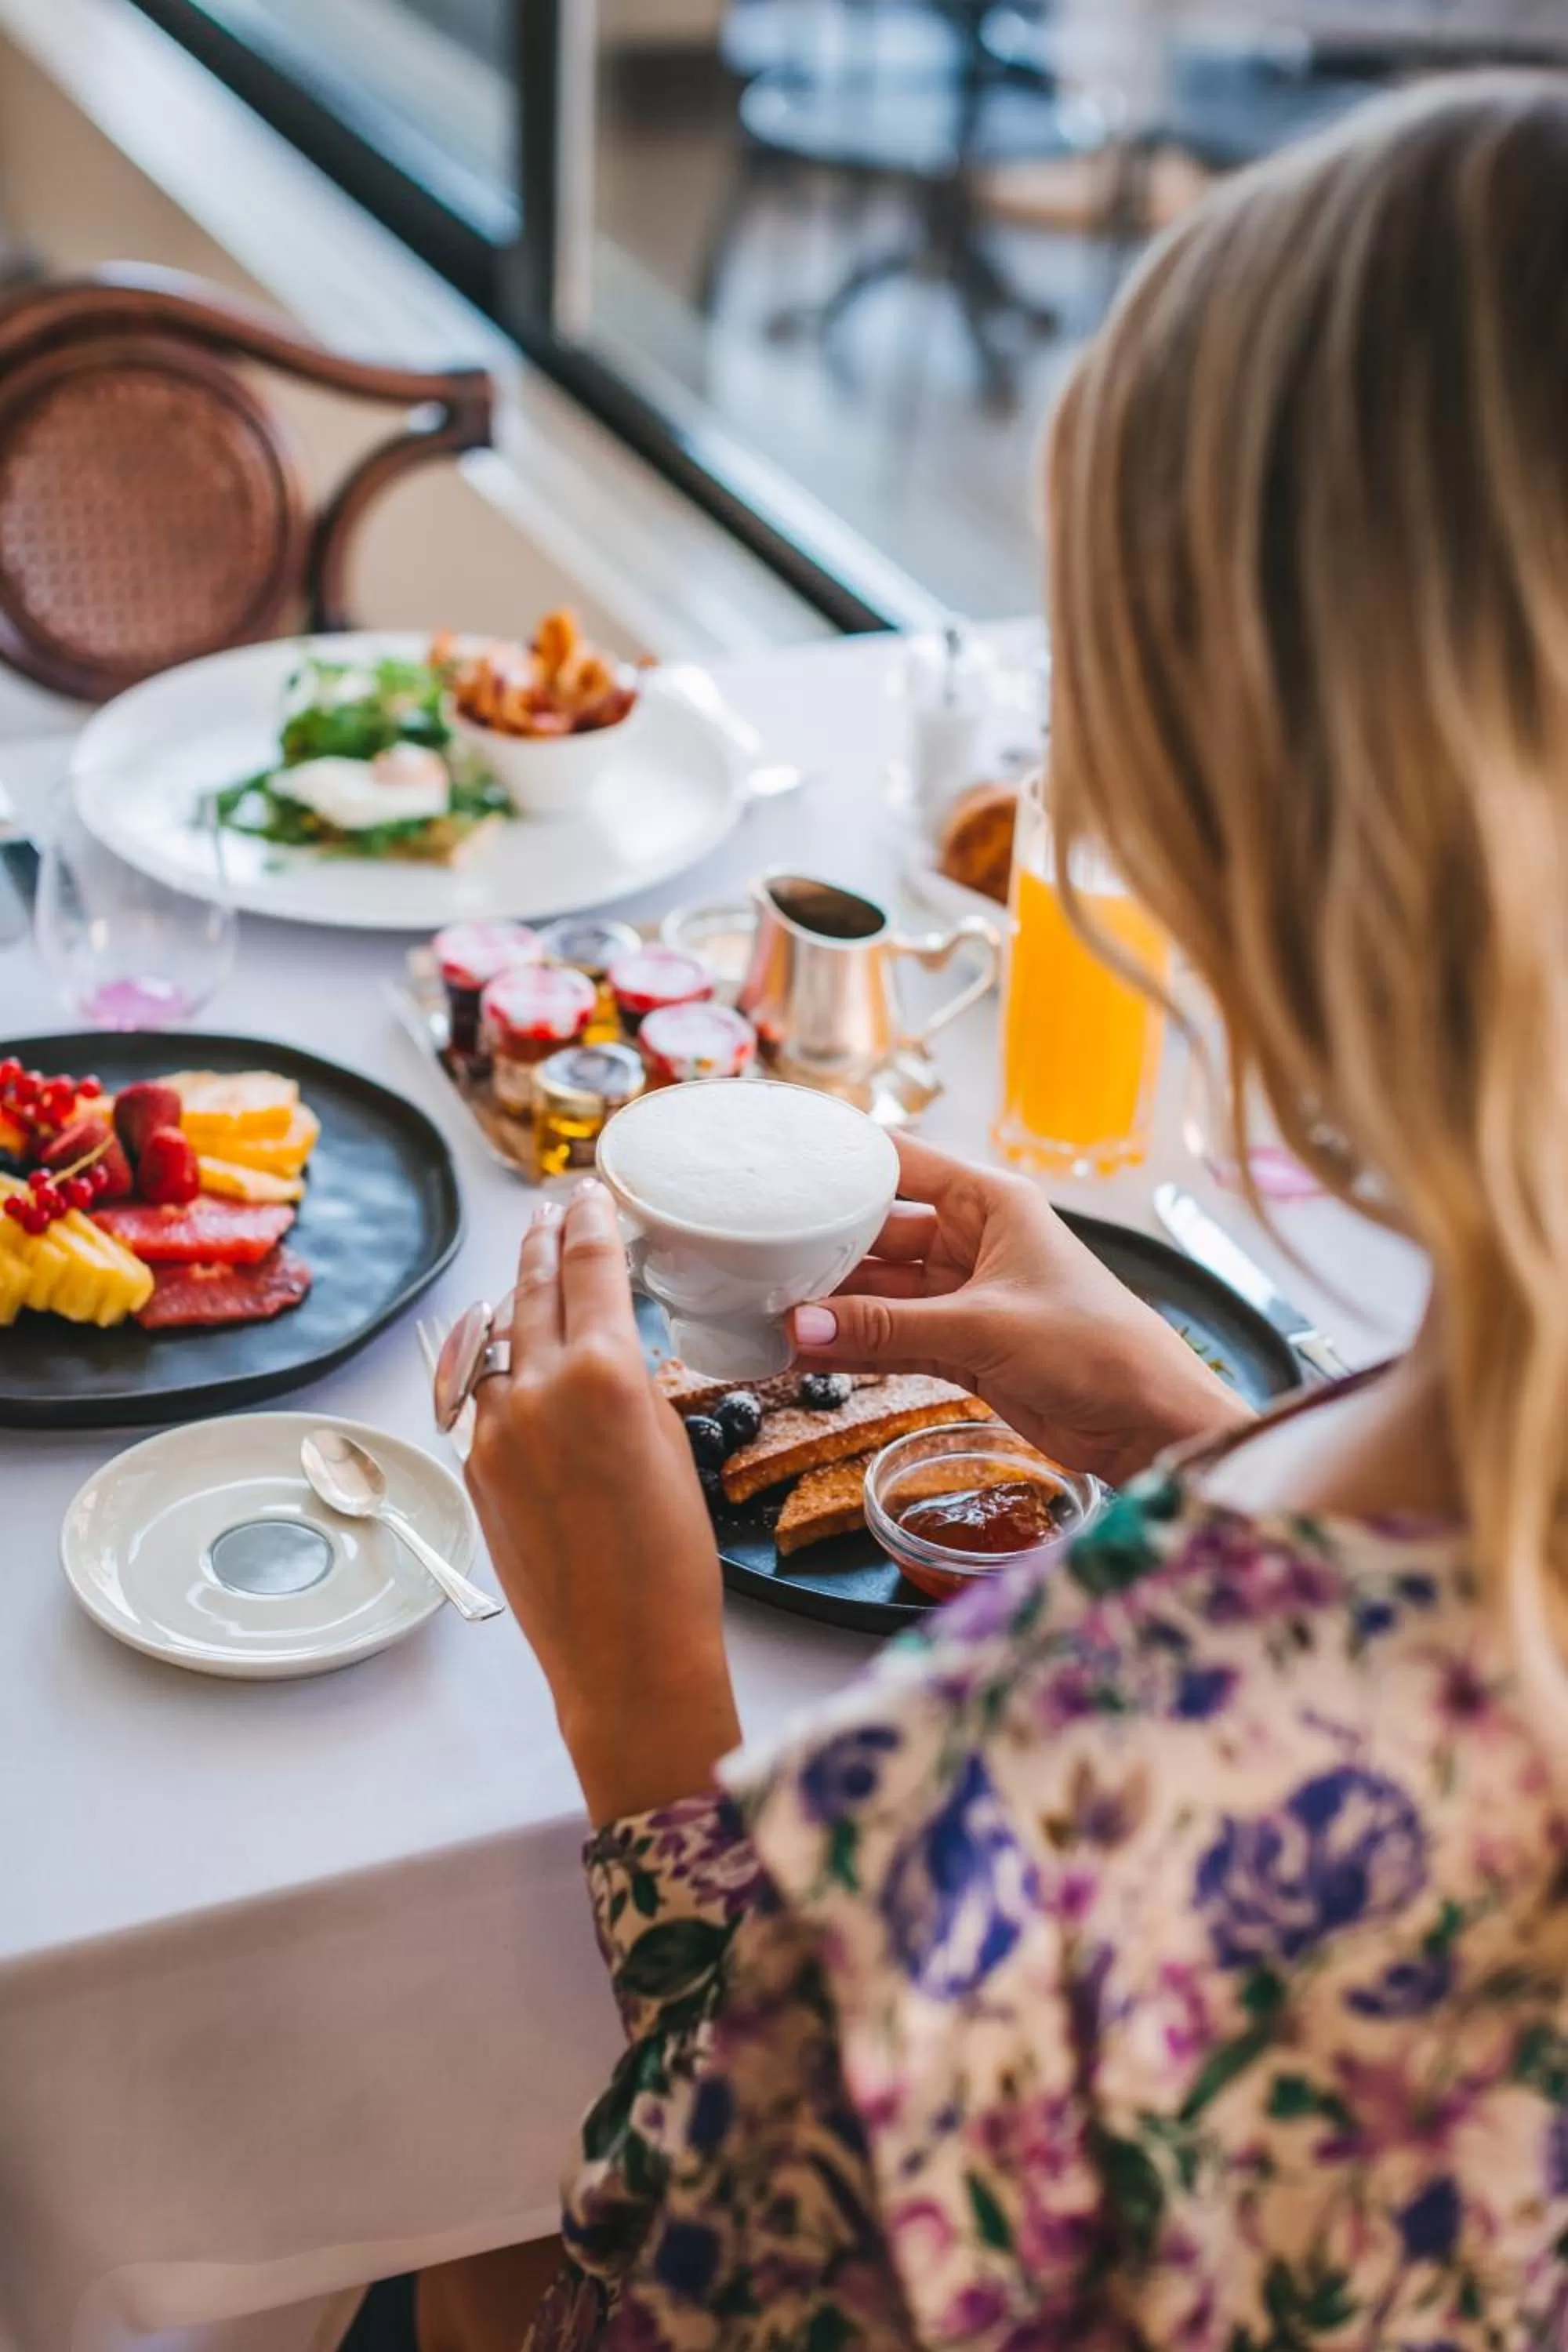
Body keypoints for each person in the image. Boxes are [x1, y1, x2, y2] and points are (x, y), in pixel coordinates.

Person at [427, 71, 1568, 2352]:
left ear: (1240, 850)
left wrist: (656, 1723)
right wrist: (1198, 1424)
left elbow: (695, 2291)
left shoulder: (997, 1816)